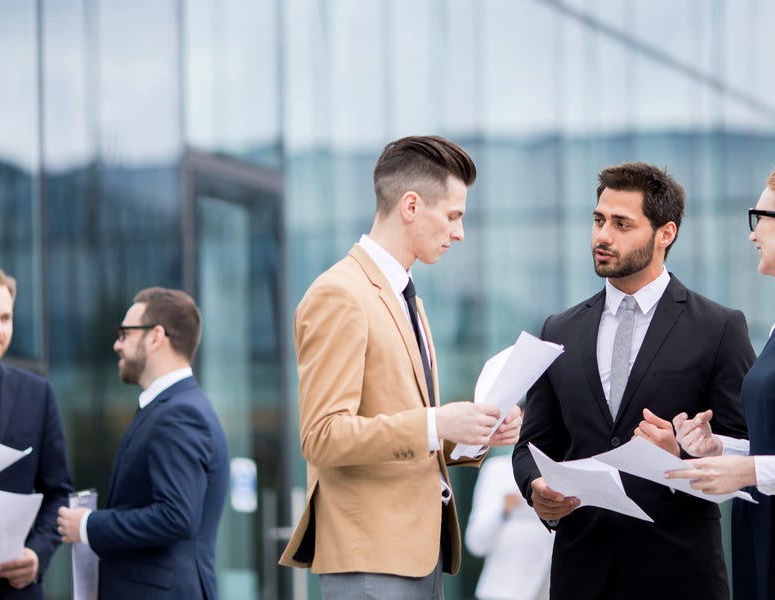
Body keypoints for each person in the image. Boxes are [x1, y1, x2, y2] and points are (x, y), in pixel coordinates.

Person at [278, 135, 523, 599]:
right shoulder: (340, 294)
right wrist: (436, 422)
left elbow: (407, 430)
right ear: (411, 205)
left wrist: (470, 433)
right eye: (453, 216)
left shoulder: (407, 299)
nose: (459, 233)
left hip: (417, 554)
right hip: (371, 558)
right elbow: (322, 435)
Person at [512, 162, 754, 600]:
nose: (603, 236)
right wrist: (535, 488)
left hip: (680, 576)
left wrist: (681, 454)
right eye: (599, 220)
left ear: (666, 233)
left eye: (622, 224)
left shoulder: (719, 328)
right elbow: (532, 445)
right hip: (580, 573)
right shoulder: (558, 330)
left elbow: (746, 448)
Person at [56, 287, 229, 599]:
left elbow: (176, 517)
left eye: (124, 333)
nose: (116, 344)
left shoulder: (180, 413)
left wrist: (89, 525)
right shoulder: (169, 408)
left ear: (155, 336)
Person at [665, 169, 775, 599]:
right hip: (761, 533)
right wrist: (716, 450)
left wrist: (748, 471)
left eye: (761, 216)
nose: (752, 235)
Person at [0, 264, 73, 599]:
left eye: (5, 318)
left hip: (14, 591)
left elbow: (58, 492)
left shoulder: (38, 394)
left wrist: (36, 555)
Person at [465, 447, 553, 600]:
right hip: (506, 590)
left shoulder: (562, 470)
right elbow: (476, 543)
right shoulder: (498, 470)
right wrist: (504, 511)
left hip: (552, 586)